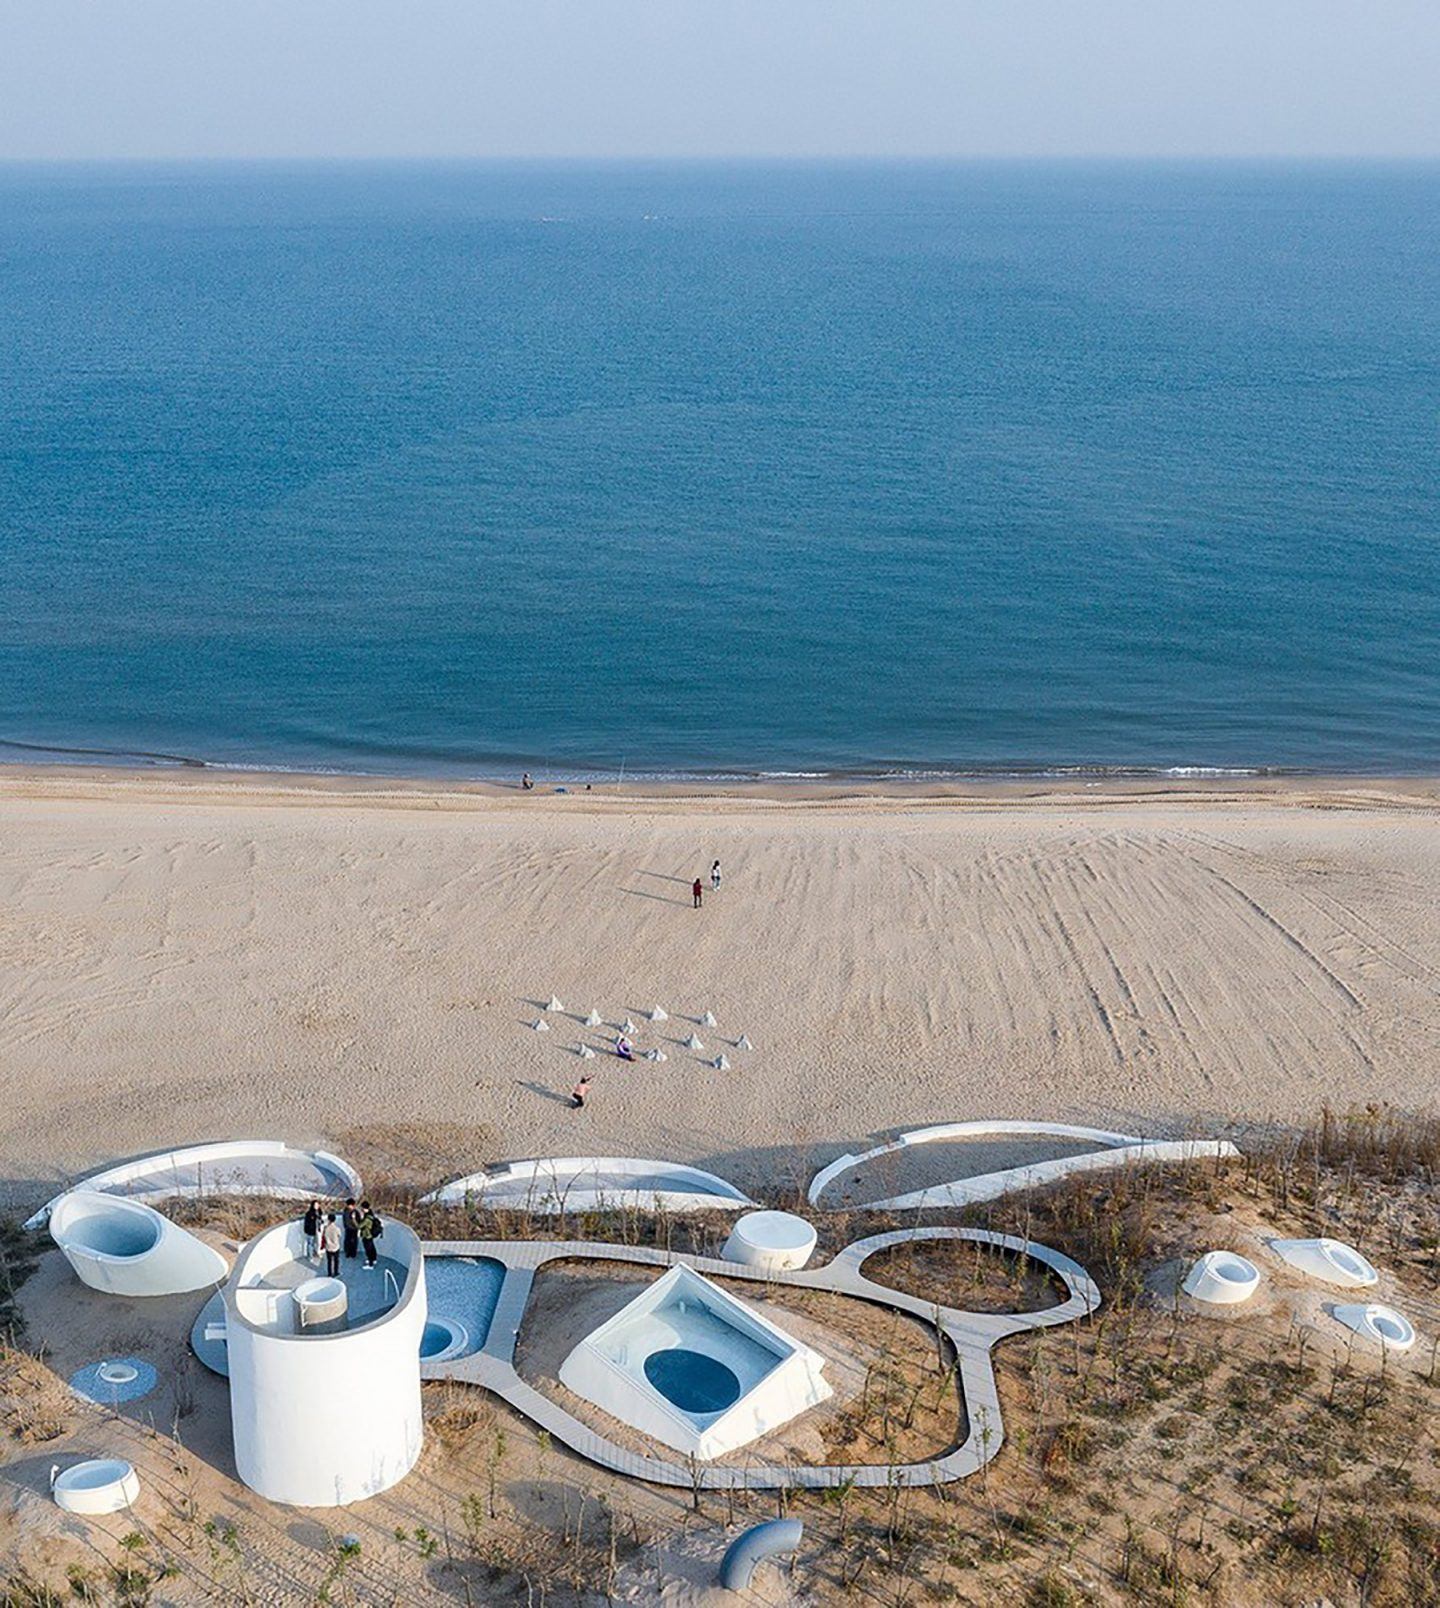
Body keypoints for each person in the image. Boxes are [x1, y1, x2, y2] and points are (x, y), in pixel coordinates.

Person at [358, 1200, 383, 1269]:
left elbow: (359, 1226)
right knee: (372, 1248)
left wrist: (354, 1219)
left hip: (367, 1235)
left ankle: (370, 1264)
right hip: (370, 1235)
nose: (361, 1210)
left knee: (368, 1249)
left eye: (362, 1208)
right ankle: (373, 1259)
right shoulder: (370, 1215)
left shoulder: (367, 1218)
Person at [320, 1212, 342, 1278]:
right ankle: (336, 1272)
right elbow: (339, 1235)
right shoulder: (337, 1229)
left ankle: (329, 1273)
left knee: (329, 1261)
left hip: (328, 1247)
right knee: (336, 1260)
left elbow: (323, 1236)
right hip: (335, 1247)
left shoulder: (325, 1228)